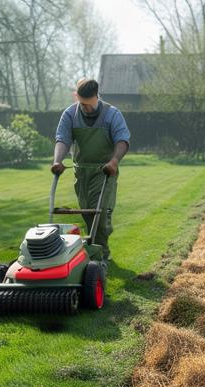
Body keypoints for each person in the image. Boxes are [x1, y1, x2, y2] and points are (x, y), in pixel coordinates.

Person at [51, 78, 129, 262]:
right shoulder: (70, 114)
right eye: (82, 104)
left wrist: (114, 160)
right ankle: (94, 250)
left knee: (100, 212)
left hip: (105, 171)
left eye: (89, 104)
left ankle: (102, 253)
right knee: (87, 213)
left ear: (96, 97)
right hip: (81, 172)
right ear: (75, 96)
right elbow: (62, 139)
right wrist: (57, 161)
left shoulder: (112, 114)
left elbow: (122, 140)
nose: (86, 108)